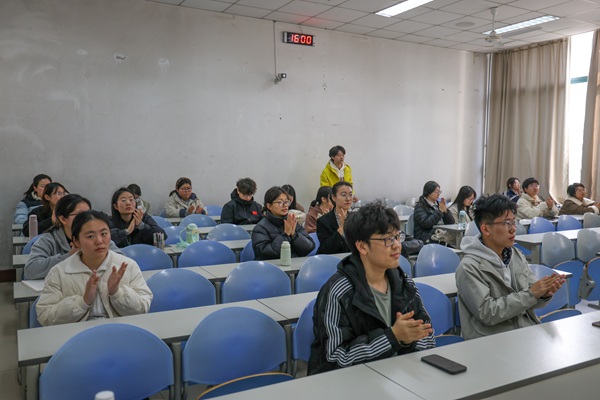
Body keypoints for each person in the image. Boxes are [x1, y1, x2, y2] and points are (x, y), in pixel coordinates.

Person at [308, 201, 434, 375]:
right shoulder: (338, 291)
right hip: (349, 382)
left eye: (398, 236)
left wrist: (405, 341)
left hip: (397, 376)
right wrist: (392, 337)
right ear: (362, 246)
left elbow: (427, 334)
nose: (397, 245)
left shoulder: (403, 282)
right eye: (388, 239)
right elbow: (335, 358)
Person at [455, 195, 565, 340]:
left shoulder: (516, 255)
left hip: (523, 331)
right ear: (486, 229)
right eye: (507, 223)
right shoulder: (469, 267)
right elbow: (487, 313)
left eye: (514, 222)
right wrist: (532, 294)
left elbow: (531, 297)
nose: (513, 229)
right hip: (490, 340)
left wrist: (543, 294)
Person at [36, 210, 152, 326]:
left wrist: (117, 293)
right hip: (77, 334)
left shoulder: (127, 266)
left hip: (119, 331)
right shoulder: (59, 272)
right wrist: (83, 302)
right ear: (76, 241)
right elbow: (45, 316)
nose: (99, 241)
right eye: (90, 236)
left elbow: (143, 308)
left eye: (104, 234)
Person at [24, 194, 123, 280]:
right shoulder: (48, 240)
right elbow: (31, 270)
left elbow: (123, 262)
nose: (87, 219)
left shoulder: (98, 237)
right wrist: (70, 256)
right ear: (63, 219)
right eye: (80, 215)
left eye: (88, 213)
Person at [251, 186, 315, 260]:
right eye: (280, 202)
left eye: (286, 202)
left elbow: (310, 247)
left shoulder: (292, 222)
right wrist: (286, 235)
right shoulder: (260, 228)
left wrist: (294, 235)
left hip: (295, 265)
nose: (285, 205)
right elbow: (266, 254)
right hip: (272, 266)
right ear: (269, 206)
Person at [316, 181, 353, 255]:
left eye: (350, 194)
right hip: (331, 259)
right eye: (344, 195)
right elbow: (326, 250)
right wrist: (341, 228)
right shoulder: (323, 221)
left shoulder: (356, 218)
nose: (348, 198)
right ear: (333, 197)